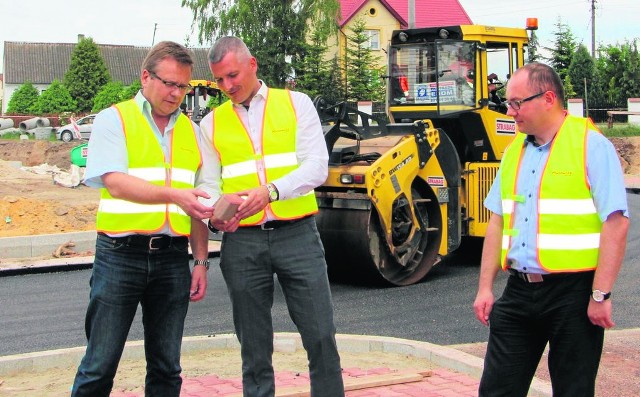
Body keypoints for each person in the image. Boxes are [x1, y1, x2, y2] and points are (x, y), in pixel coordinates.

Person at [197, 36, 345, 397]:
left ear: (253, 65)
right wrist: (219, 210)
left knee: (321, 335)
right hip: (242, 242)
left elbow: (317, 166)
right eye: (219, 80)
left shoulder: (296, 104)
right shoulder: (210, 124)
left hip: (297, 235)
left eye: (232, 75)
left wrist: (271, 191)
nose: (228, 86)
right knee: (253, 344)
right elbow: (208, 184)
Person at [473, 62, 629, 397]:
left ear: (547, 98)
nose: (510, 111)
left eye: (517, 103)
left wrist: (600, 294)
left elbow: (616, 221)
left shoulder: (591, 145)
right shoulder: (514, 151)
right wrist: (486, 288)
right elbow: (498, 220)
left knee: (573, 389)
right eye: (508, 103)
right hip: (518, 292)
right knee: (497, 390)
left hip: (573, 293)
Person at [71, 41, 214, 397]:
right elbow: (115, 184)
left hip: (172, 259)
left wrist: (200, 261)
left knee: (167, 368)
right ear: (145, 76)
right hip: (120, 256)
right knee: (99, 365)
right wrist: (175, 196)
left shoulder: (192, 131)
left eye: (183, 86)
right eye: (168, 83)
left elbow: (196, 204)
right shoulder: (114, 119)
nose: (176, 93)